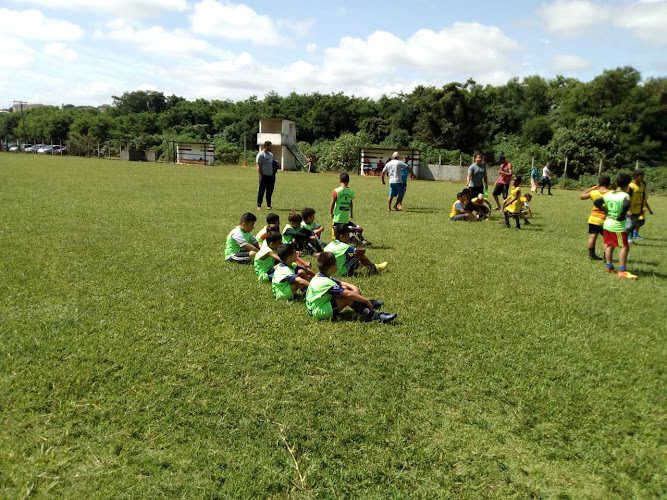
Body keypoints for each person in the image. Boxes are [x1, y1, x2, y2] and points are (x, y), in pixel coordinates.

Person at [305, 252, 397, 323]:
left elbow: (341, 284)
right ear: (332, 268)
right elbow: (348, 294)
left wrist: (354, 288)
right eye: (336, 263)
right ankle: (375, 315)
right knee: (347, 298)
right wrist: (365, 301)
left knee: (345, 290)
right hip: (318, 312)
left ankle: (366, 304)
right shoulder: (326, 282)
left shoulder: (319, 276)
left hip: (314, 307)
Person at [593, 173, 636, 278]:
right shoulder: (625, 196)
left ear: (616, 183)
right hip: (617, 226)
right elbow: (626, 205)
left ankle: (609, 267)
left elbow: (596, 202)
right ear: (627, 185)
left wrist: (606, 211)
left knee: (609, 245)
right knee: (624, 247)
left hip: (607, 224)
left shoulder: (609, 194)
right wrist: (621, 215)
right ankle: (622, 271)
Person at [324, 224, 388, 277]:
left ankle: (361, 265)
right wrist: (357, 253)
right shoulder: (343, 246)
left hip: (330, 273)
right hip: (340, 271)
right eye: (348, 235)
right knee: (360, 256)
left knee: (344, 255)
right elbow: (362, 251)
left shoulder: (329, 245)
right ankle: (375, 268)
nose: (349, 237)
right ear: (341, 236)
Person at [330, 172, 368, 244]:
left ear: (340, 181)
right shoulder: (351, 191)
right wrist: (351, 213)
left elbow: (332, 203)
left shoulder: (336, 191)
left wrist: (331, 213)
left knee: (340, 231)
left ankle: (353, 232)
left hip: (338, 217)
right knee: (350, 228)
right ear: (348, 181)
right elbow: (351, 203)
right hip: (346, 217)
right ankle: (361, 239)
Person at [580, 175, 612, 260]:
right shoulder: (611, 193)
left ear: (599, 183)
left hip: (593, 218)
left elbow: (582, 196)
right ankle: (606, 257)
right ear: (609, 183)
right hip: (605, 219)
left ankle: (591, 255)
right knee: (607, 239)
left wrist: (592, 188)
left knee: (592, 236)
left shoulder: (594, 192)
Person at [627, 170, 654, 242]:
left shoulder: (642, 186)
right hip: (631, 210)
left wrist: (642, 208)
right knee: (629, 225)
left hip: (638, 209)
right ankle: (626, 239)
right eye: (641, 176)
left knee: (634, 225)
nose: (642, 177)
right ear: (635, 176)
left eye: (643, 176)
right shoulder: (630, 186)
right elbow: (626, 198)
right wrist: (628, 210)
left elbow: (642, 198)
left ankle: (629, 239)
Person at [256, 141, 276, 210]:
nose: (271, 147)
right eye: (270, 146)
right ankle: (259, 205)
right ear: (266, 146)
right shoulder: (261, 155)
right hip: (263, 176)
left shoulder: (271, 155)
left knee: (269, 191)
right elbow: (258, 165)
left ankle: (269, 205)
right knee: (261, 191)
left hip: (271, 176)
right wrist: (260, 175)